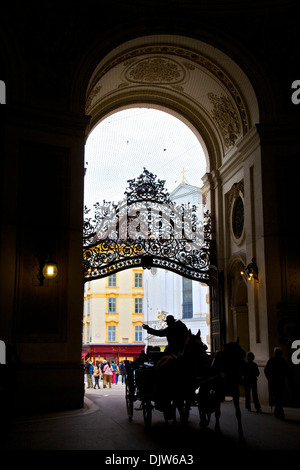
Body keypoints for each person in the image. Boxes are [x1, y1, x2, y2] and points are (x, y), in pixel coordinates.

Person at [264, 347, 290, 419]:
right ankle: (279, 411)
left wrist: (269, 378)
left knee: (276, 397)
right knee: (279, 397)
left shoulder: (271, 361)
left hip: (274, 382)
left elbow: (266, 370)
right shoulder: (284, 362)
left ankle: (278, 411)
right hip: (280, 382)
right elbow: (287, 372)